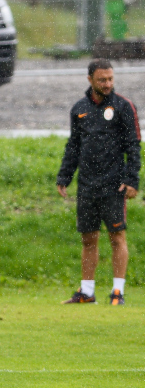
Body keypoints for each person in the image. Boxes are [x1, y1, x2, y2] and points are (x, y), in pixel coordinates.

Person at [57, 59, 140, 306]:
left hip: (114, 185)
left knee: (117, 237)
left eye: (110, 79)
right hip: (87, 185)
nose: (107, 84)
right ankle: (87, 292)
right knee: (88, 239)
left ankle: (117, 292)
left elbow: (133, 146)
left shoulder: (124, 106)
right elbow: (73, 146)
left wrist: (132, 179)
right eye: (102, 79)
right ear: (90, 79)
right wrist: (64, 176)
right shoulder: (79, 109)